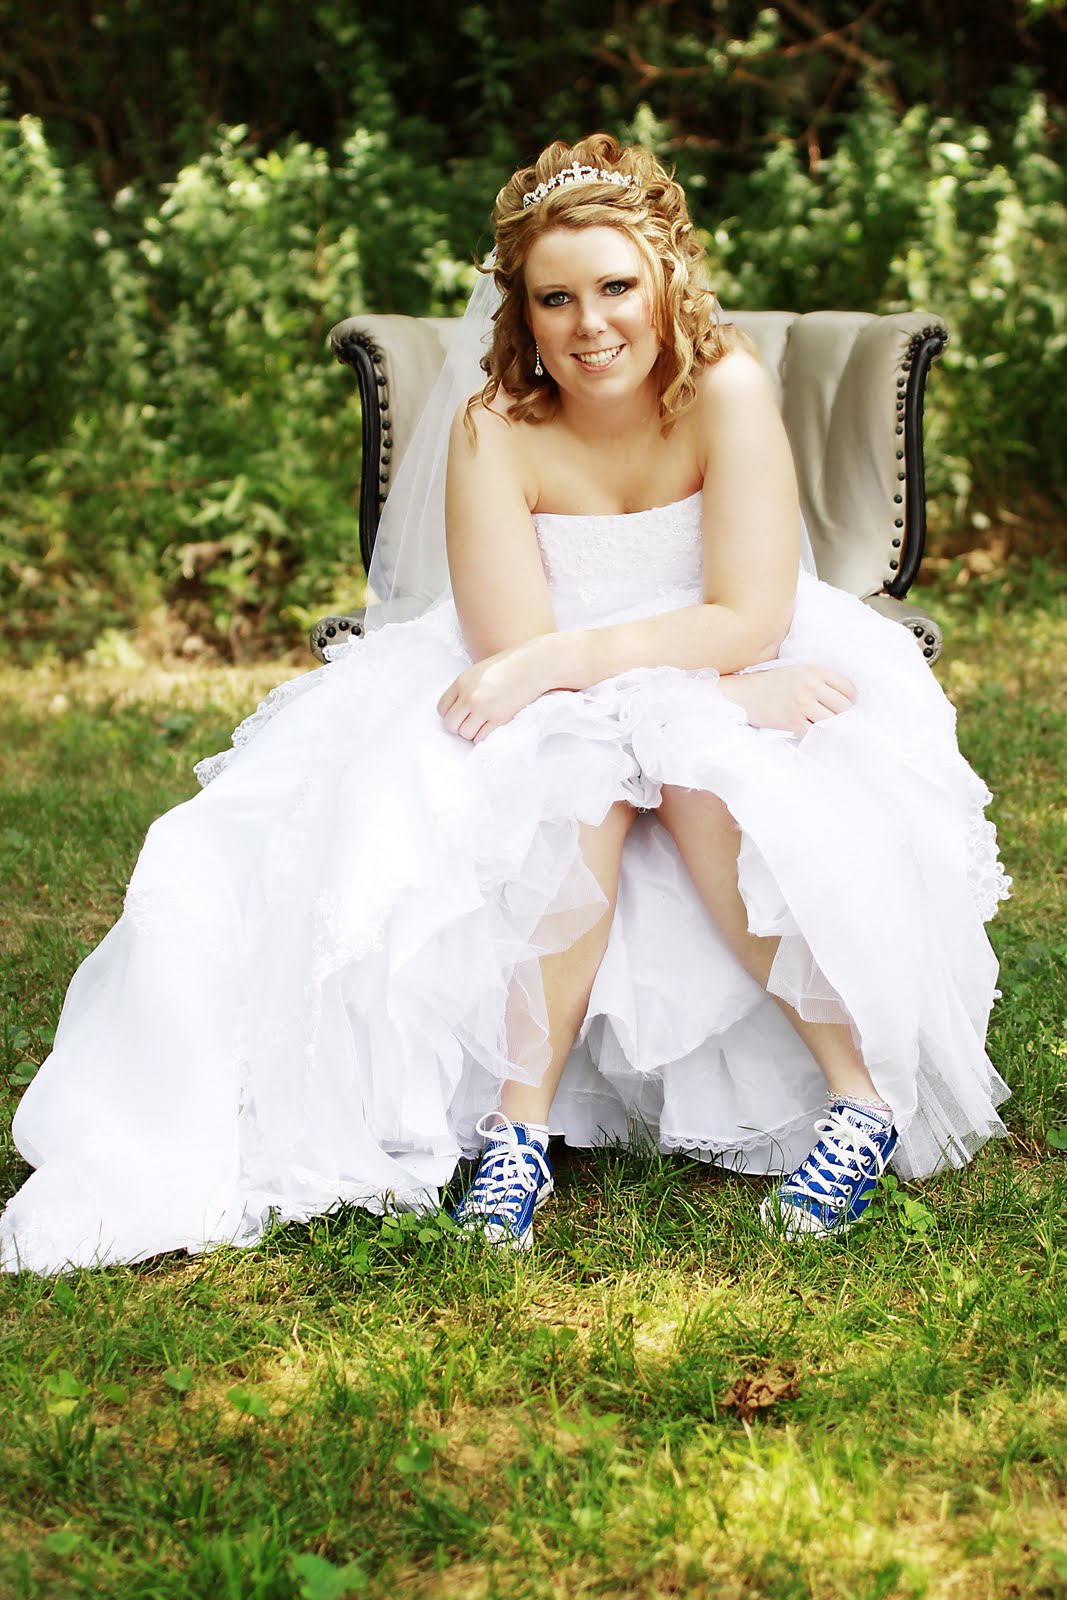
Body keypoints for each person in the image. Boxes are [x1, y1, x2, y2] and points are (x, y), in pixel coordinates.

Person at [0, 135, 1009, 1273]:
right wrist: (635, 681)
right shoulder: (495, 422)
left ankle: (859, 1102)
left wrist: (703, 685)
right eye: (554, 298)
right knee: (574, 767)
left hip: (693, 652)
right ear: (520, 312)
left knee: (702, 765)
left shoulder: (725, 387)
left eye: (615, 287)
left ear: (666, 280)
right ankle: (514, 1133)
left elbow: (743, 614)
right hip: (535, 678)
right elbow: (509, 649)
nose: (591, 325)